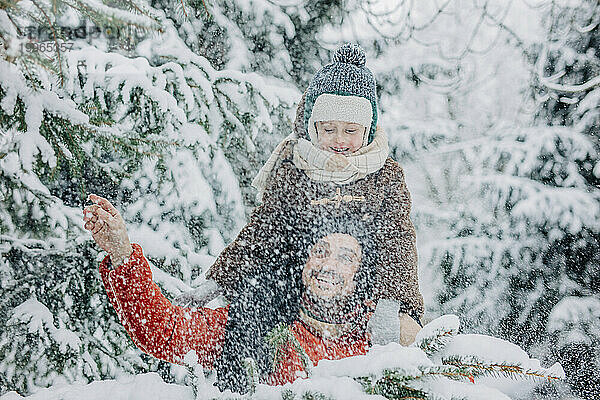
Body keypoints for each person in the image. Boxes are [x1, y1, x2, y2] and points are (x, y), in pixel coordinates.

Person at [177, 42, 424, 345]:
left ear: (368, 130)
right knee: (253, 306)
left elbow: (397, 242)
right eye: (329, 129)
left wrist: (388, 305)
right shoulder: (295, 168)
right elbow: (264, 231)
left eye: (351, 130)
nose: (340, 140)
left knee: (406, 336)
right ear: (313, 127)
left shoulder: (385, 175)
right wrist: (217, 280)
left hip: (366, 288)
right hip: (299, 282)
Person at [83, 195, 378, 392]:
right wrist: (122, 254)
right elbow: (164, 331)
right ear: (303, 263)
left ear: (360, 274)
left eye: (345, 258)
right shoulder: (257, 320)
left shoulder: (378, 343)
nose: (328, 266)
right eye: (320, 252)